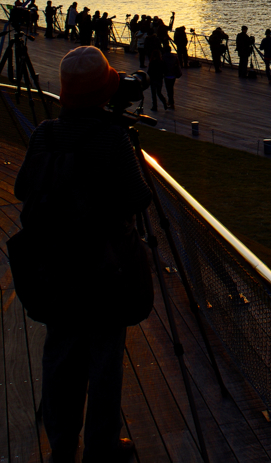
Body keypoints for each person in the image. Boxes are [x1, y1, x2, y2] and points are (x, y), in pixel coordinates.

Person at [12, 46, 152, 462]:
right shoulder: (112, 139)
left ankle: (61, 447)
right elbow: (139, 198)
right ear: (104, 93)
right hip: (105, 270)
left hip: (54, 268)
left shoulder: (45, 134)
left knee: (60, 359)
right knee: (105, 363)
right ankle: (102, 448)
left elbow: (22, 190)